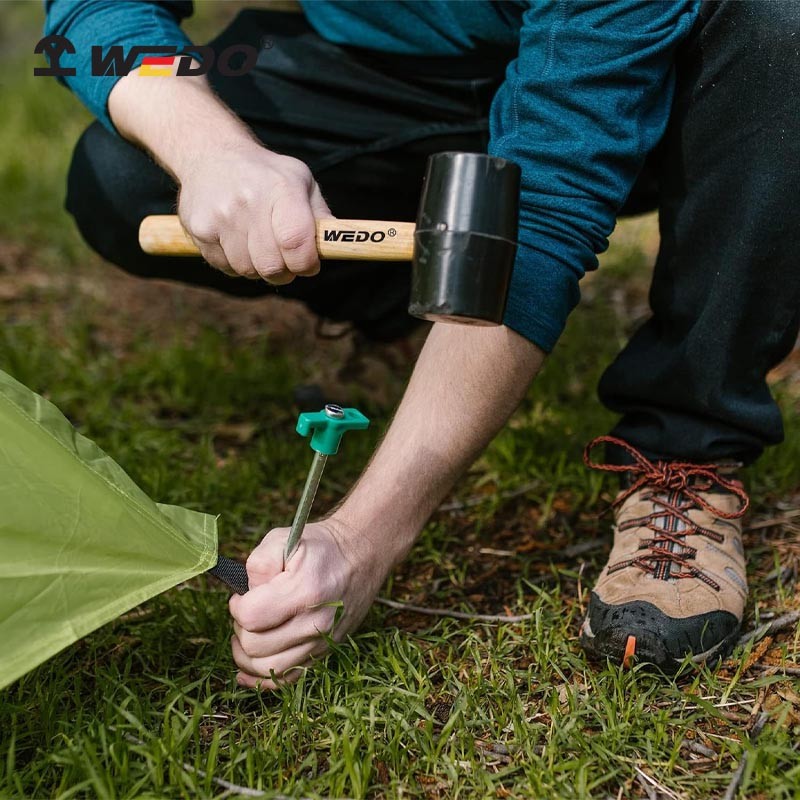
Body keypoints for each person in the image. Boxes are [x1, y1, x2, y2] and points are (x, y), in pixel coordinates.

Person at [45, 0, 799, 682]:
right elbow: (88, 13)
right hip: (384, 65)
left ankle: (687, 445)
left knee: (776, 24)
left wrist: (359, 542)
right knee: (123, 173)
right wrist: (211, 149)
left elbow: (540, 213)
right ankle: (417, 318)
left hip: (652, 70)